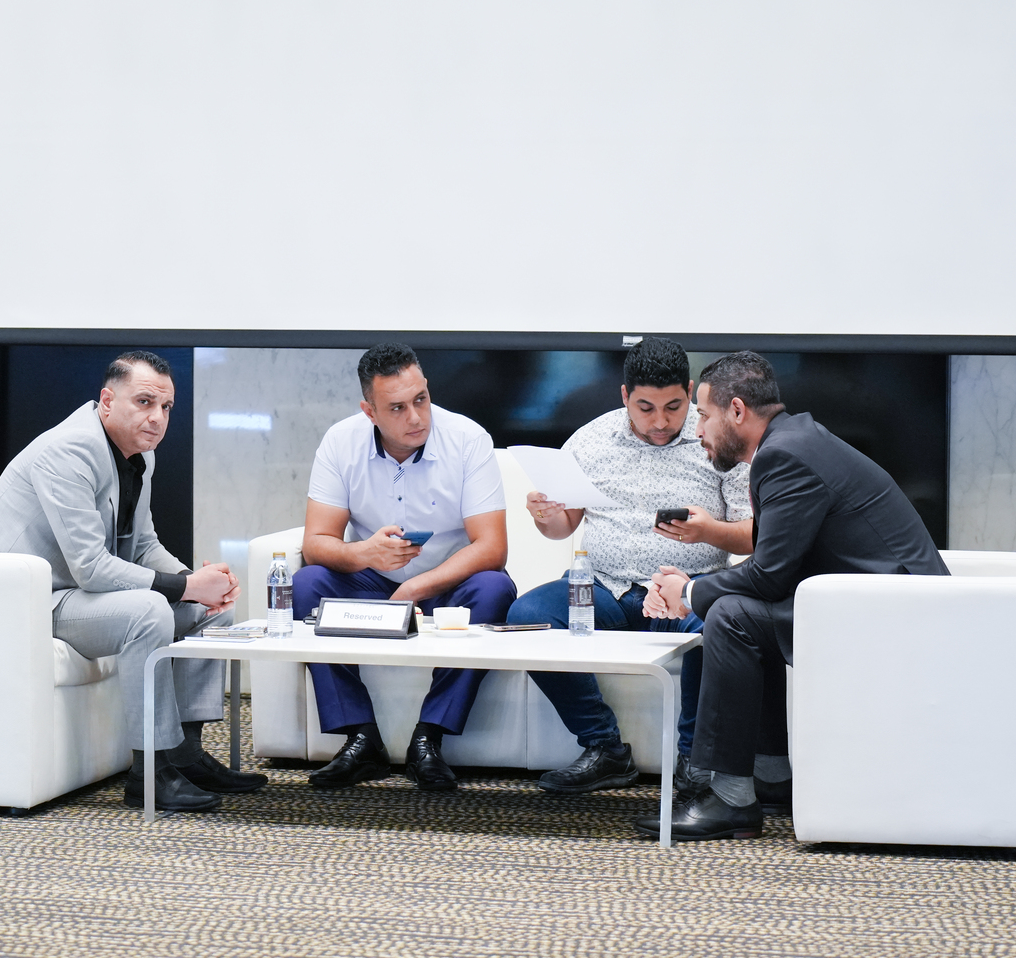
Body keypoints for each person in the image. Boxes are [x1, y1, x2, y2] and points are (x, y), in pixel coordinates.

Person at [636, 351, 950, 842]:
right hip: (875, 601)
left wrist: (690, 592)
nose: (697, 431)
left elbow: (768, 577)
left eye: (703, 416)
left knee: (733, 616)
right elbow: (775, 564)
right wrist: (691, 588)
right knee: (740, 612)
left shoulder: (785, 456)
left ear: (736, 411)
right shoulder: (793, 442)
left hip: (898, 613)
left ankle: (731, 798)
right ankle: (772, 775)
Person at [0, 350, 266, 813]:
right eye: (145, 402)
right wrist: (186, 587)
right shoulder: (68, 451)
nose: (157, 417)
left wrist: (197, 582)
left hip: (74, 595)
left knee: (205, 612)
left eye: (166, 407)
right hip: (25, 599)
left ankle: (185, 756)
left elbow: (143, 544)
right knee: (149, 610)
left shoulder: (139, 455)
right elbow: (91, 566)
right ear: (107, 401)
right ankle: (150, 774)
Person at [504, 336, 754, 793]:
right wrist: (544, 515)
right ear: (624, 396)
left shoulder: (718, 440)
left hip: (687, 591)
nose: (660, 422)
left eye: (674, 407)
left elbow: (753, 533)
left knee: (722, 621)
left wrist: (709, 532)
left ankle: (695, 761)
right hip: (603, 588)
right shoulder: (590, 440)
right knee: (527, 616)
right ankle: (605, 749)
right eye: (645, 408)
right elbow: (563, 526)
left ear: (690, 391)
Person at [292, 343, 518, 791]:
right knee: (306, 582)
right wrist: (365, 554)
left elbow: (492, 547)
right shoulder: (340, 441)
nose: (416, 417)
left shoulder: (468, 439)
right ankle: (360, 738)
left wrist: (416, 587)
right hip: (372, 582)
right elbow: (315, 543)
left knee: (494, 588)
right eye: (397, 408)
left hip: (447, 584)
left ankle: (428, 738)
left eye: (421, 399)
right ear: (369, 412)